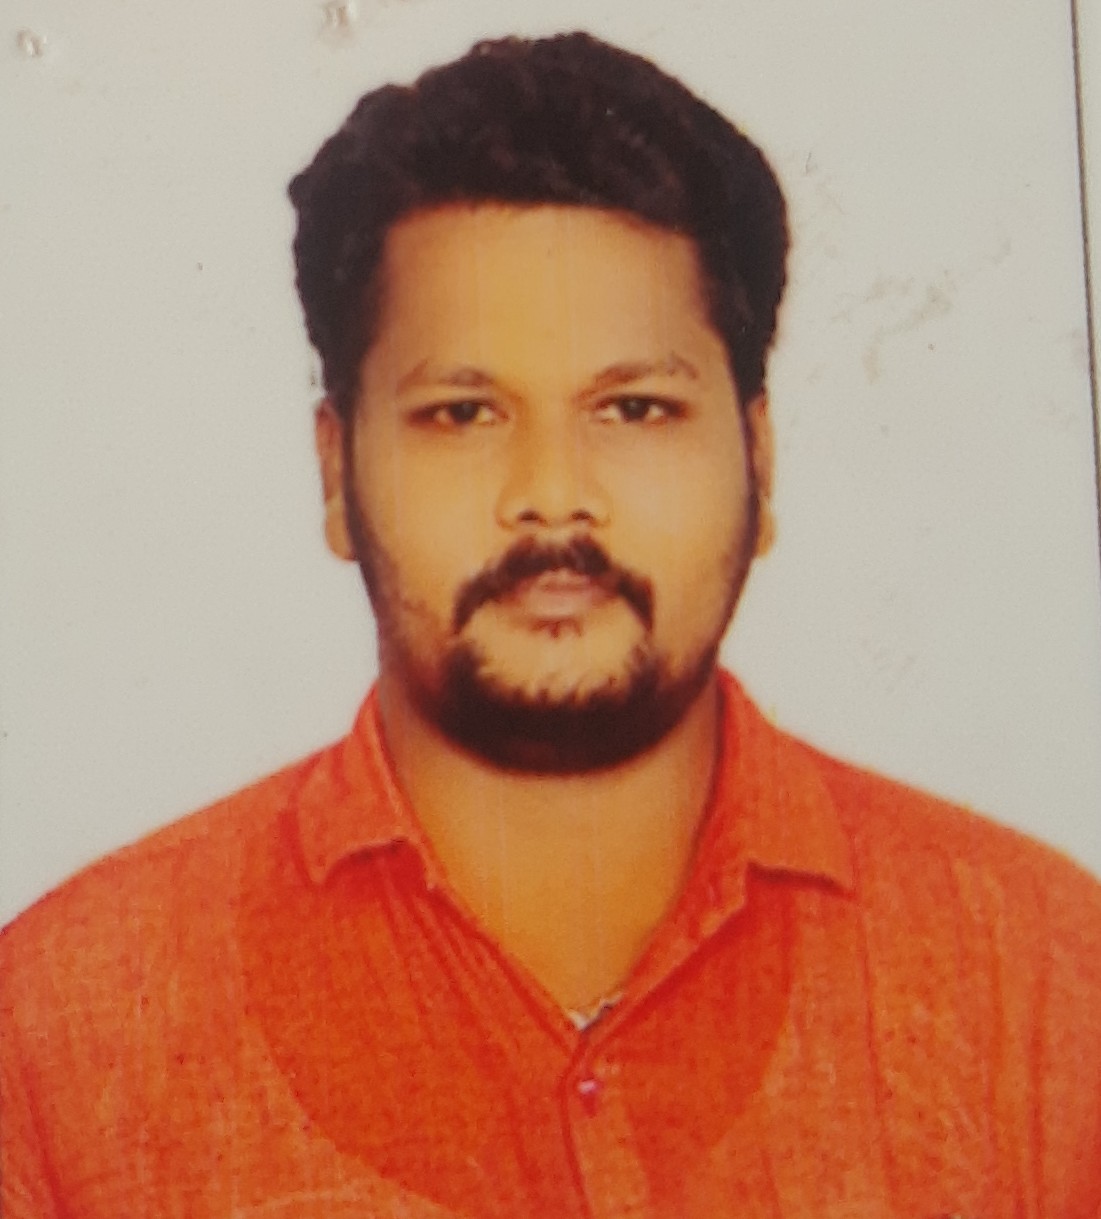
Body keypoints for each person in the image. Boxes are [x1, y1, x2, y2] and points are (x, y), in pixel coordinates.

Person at [2, 29, 1099, 1219]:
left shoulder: (1045, 985)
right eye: (463, 413)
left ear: (759, 457)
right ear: (335, 472)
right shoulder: (58, 1039)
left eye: (635, 408)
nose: (553, 494)